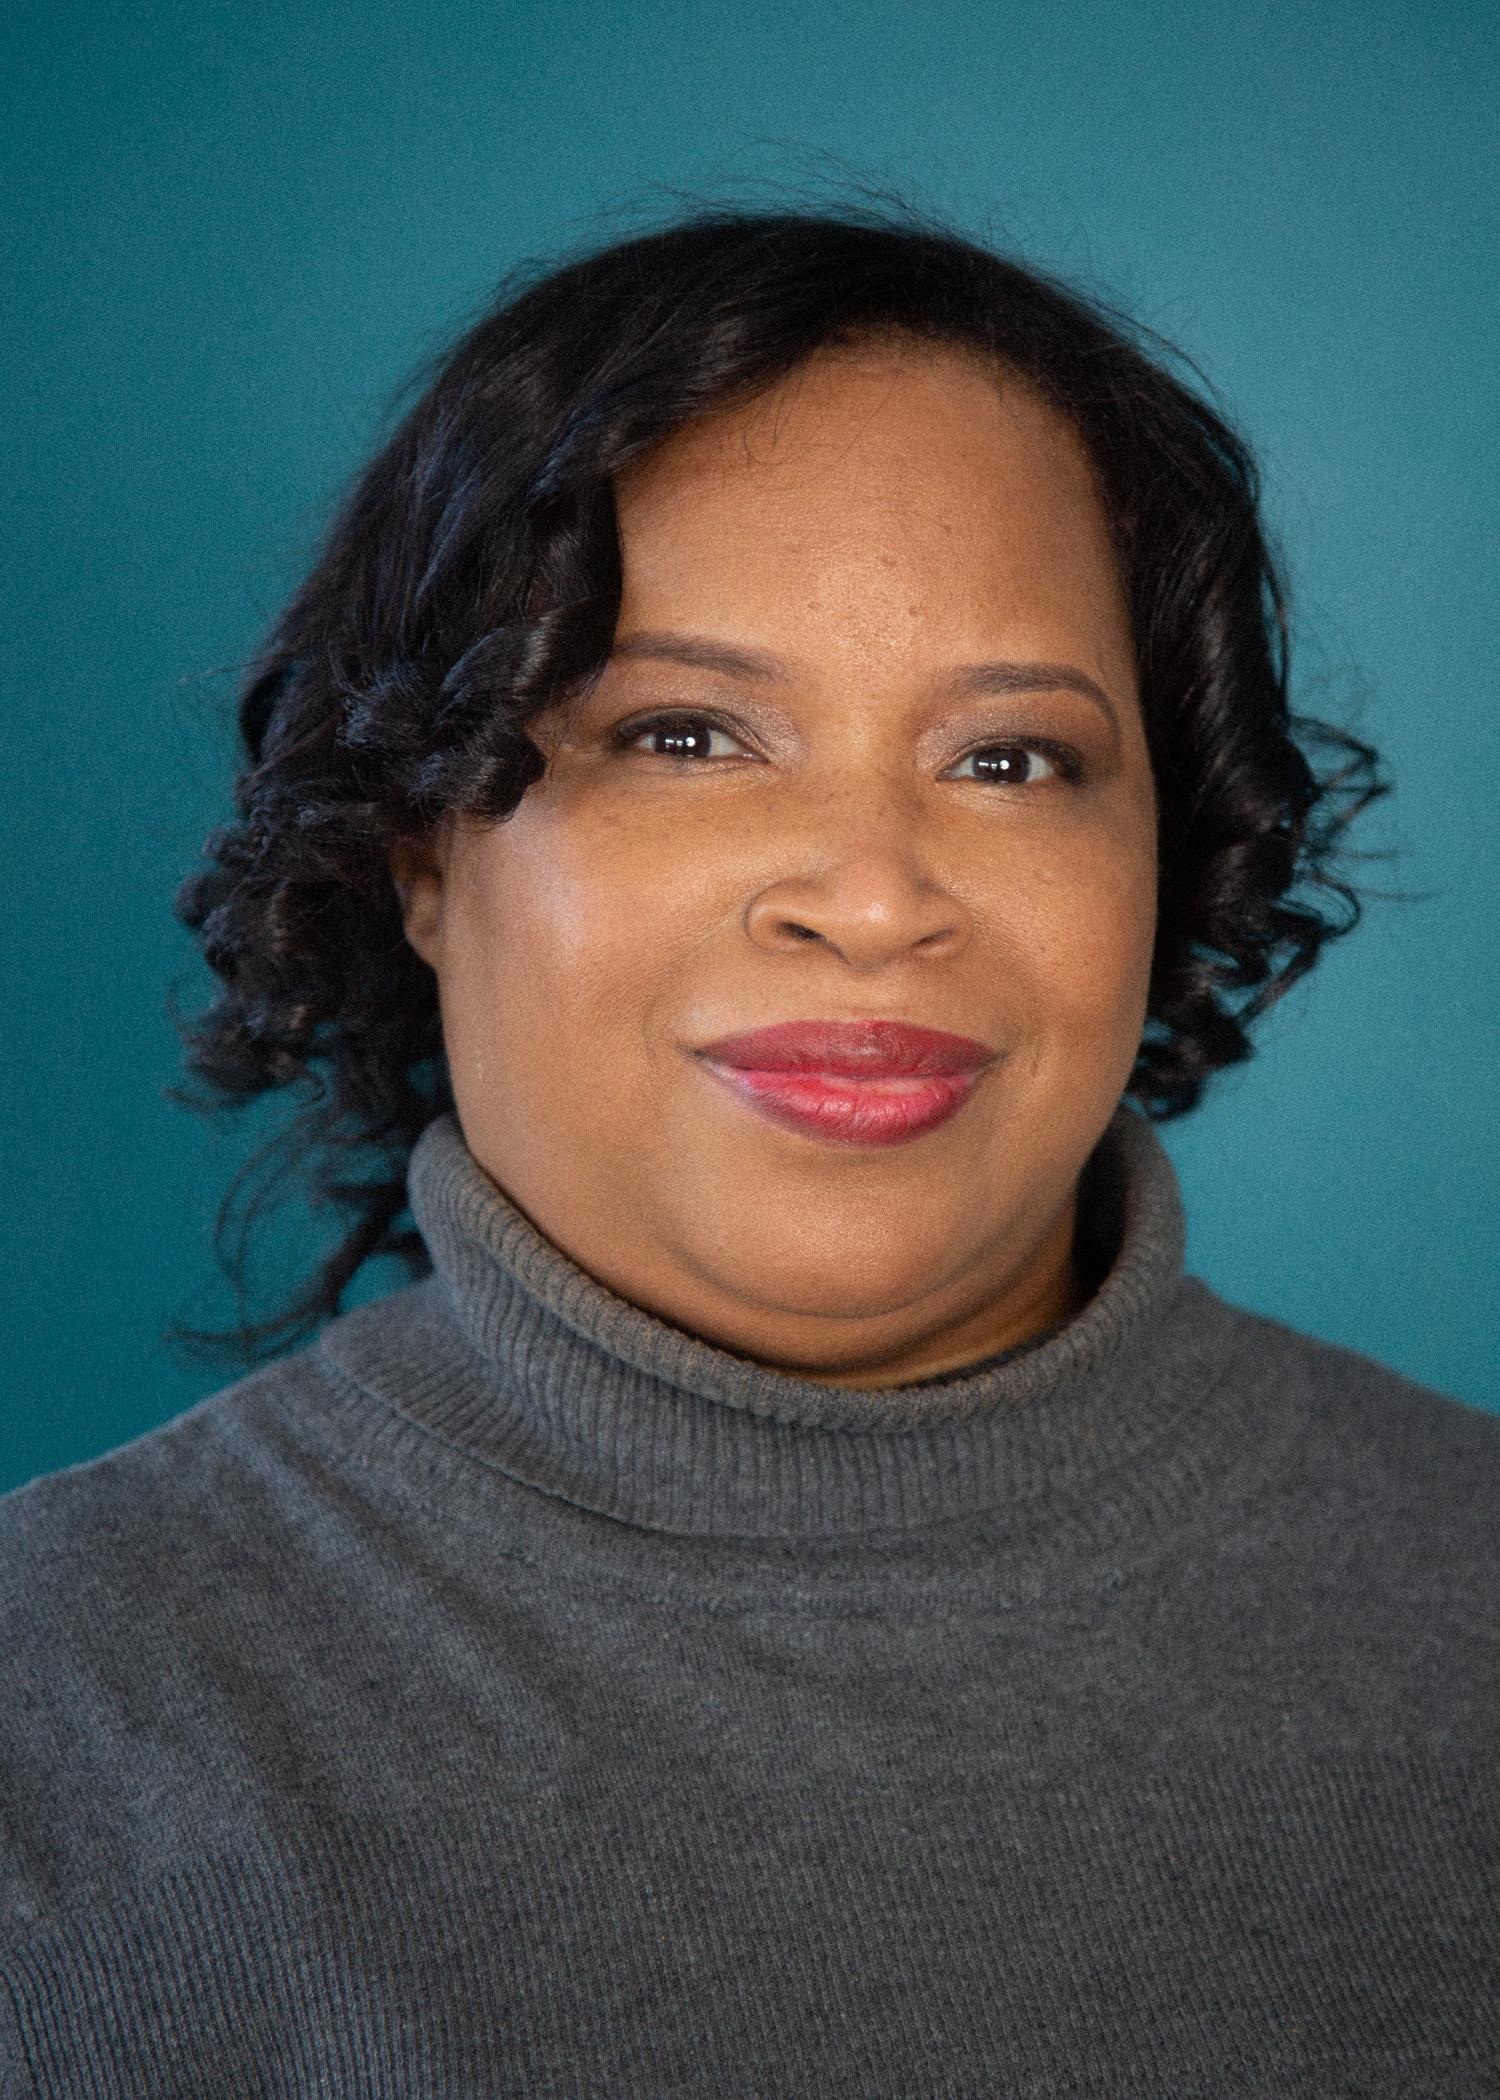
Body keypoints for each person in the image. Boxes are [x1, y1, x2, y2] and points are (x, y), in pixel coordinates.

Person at [2, 205, 1495, 2098]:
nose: (875, 901)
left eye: (1012, 759)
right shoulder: (48, 1717)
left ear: (1166, 858)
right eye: (690, 735)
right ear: (422, 851)